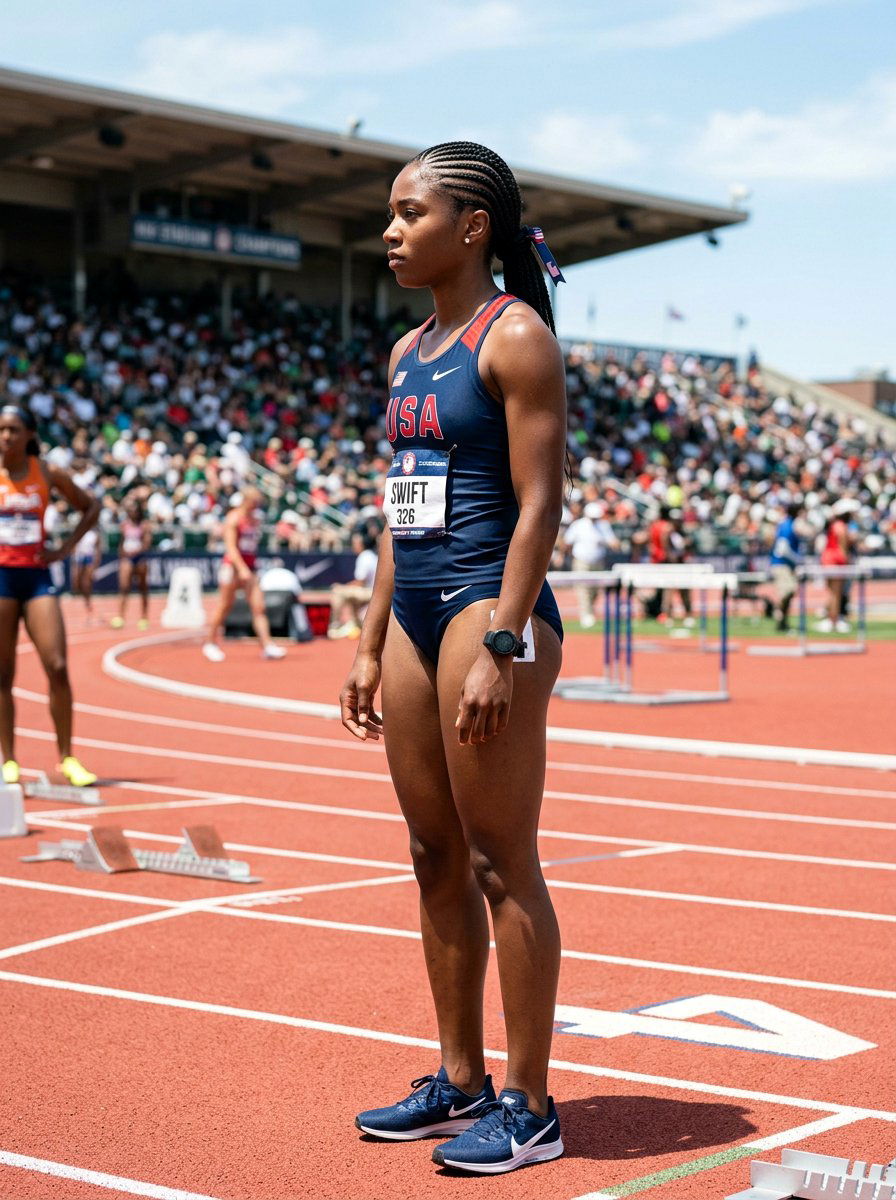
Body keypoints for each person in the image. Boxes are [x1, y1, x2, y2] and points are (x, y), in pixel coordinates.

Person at [340, 142, 567, 1174]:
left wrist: (505, 644)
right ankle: (458, 1078)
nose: (389, 230)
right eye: (388, 215)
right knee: (431, 854)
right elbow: (399, 507)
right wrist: (366, 631)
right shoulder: (402, 354)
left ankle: (528, 1105)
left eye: (407, 212)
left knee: (495, 860)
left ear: (470, 225)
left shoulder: (512, 336)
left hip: (489, 606)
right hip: (413, 613)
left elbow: (538, 503)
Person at [0, 405, 100, 786]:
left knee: (57, 665)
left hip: (37, 577)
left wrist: (65, 550)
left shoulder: (46, 472)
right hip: (1, 579)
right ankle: (8, 759)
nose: (6, 436)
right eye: (1, 429)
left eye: (13, 429)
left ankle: (68, 758)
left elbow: (91, 507)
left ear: (29, 434)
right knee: (3, 673)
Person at [202, 487, 286, 662]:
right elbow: (231, 548)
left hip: (250, 567)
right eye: (254, 502)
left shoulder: (254, 520)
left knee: (258, 607)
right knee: (225, 605)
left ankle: (267, 645)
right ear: (246, 500)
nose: (257, 505)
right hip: (233, 568)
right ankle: (210, 643)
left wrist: (250, 568)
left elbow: (251, 547)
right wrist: (241, 569)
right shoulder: (233, 519)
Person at [562, 500, 619, 627]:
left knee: (595, 590)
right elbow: (567, 541)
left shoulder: (604, 525)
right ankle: (586, 614)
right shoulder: (578, 525)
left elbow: (612, 541)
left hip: (598, 560)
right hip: (581, 560)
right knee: (583, 588)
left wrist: (612, 543)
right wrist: (562, 555)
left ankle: (590, 611)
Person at [328, 528, 379, 639]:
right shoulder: (370, 555)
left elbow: (360, 582)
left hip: (369, 592)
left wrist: (341, 587)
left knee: (338, 591)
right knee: (351, 598)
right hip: (373, 591)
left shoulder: (364, 556)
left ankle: (334, 627)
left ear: (362, 544)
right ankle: (357, 625)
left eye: (356, 543)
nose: (353, 546)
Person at [111, 496, 151, 630]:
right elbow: (122, 542)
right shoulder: (125, 525)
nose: (133, 512)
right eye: (131, 510)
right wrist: (122, 553)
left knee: (143, 588)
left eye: (135, 510)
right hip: (127, 558)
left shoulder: (144, 525)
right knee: (124, 587)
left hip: (139, 558)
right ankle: (120, 616)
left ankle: (144, 617)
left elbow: (146, 543)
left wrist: (136, 551)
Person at [769, 501, 802, 632]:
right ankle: (777, 614)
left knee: (789, 592)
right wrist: (797, 559)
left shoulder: (788, 524)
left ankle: (782, 620)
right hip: (781, 564)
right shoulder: (787, 526)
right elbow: (782, 549)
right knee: (787, 591)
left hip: (785, 564)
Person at [817, 505, 851, 633]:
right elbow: (842, 548)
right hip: (835, 561)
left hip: (827, 559)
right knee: (836, 592)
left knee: (831, 591)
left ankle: (830, 618)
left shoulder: (833, 525)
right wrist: (846, 561)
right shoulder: (841, 526)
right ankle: (833, 620)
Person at [70, 524, 101, 624]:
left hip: (89, 557)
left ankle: (88, 606)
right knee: (76, 583)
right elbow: (74, 547)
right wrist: (74, 564)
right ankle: (83, 606)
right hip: (79, 557)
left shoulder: (94, 534)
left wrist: (95, 565)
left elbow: (97, 550)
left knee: (87, 583)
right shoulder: (78, 531)